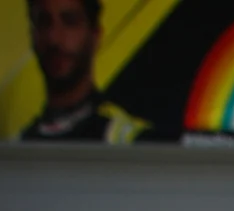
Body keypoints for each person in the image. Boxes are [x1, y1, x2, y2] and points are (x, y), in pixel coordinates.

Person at [18, 0, 150, 142]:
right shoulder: (17, 146)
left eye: (70, 21)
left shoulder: (128, 140)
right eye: (43, 22)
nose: (54, 38)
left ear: (95, 35)